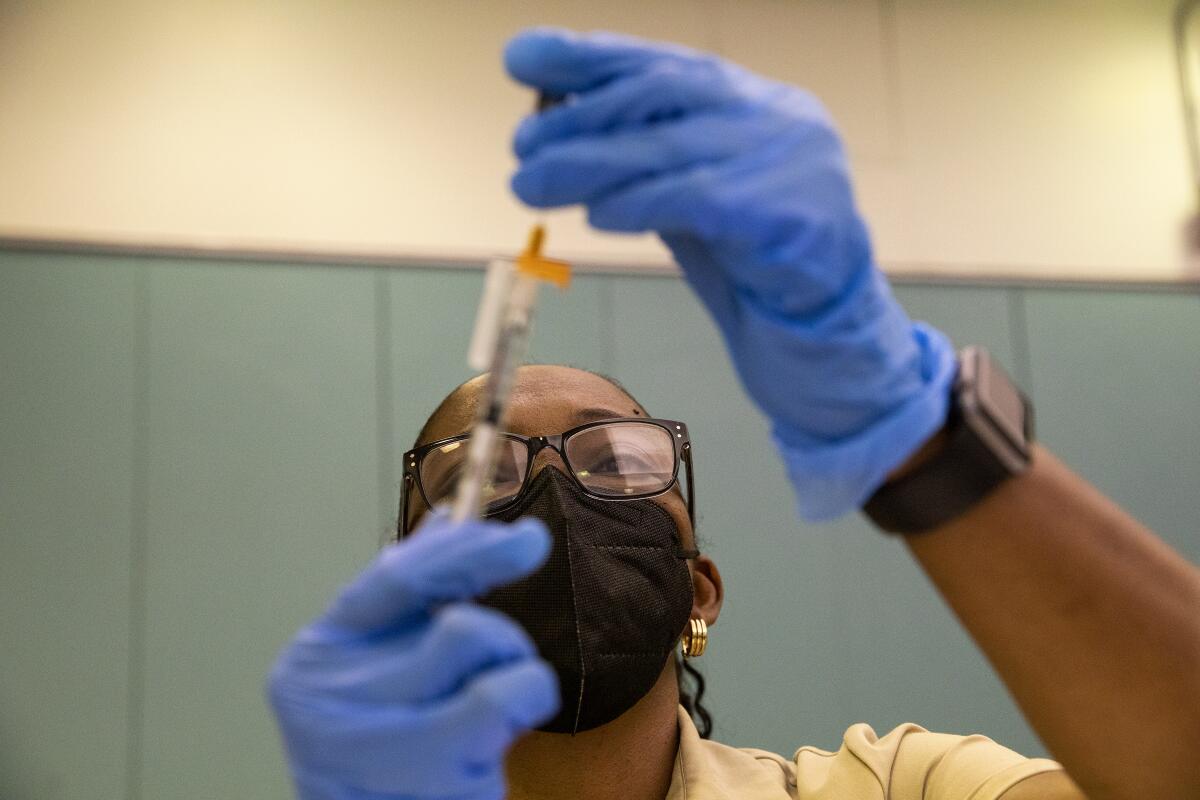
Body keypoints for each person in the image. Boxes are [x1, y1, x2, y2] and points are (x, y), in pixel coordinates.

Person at [265, 28, 1200, 800]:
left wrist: (918, 434)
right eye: (484, 472)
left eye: (618, 463)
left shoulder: (897, 788)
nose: (553, 486)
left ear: (700, 591)